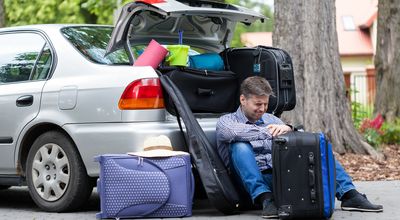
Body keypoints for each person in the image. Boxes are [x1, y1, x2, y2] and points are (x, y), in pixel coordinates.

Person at [216, 76, 383, 219]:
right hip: (246, 184)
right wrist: (270, 132)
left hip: (279, 176)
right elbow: (232, 133)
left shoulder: (271, 119)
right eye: (258, 104)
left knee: (318, 149)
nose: (262, 109)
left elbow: (296, 140)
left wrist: (289, 129)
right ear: (243, 100)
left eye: (265, 104)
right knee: (239, 146)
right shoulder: (227, 121)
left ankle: (349, 194)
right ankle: (266, 200)